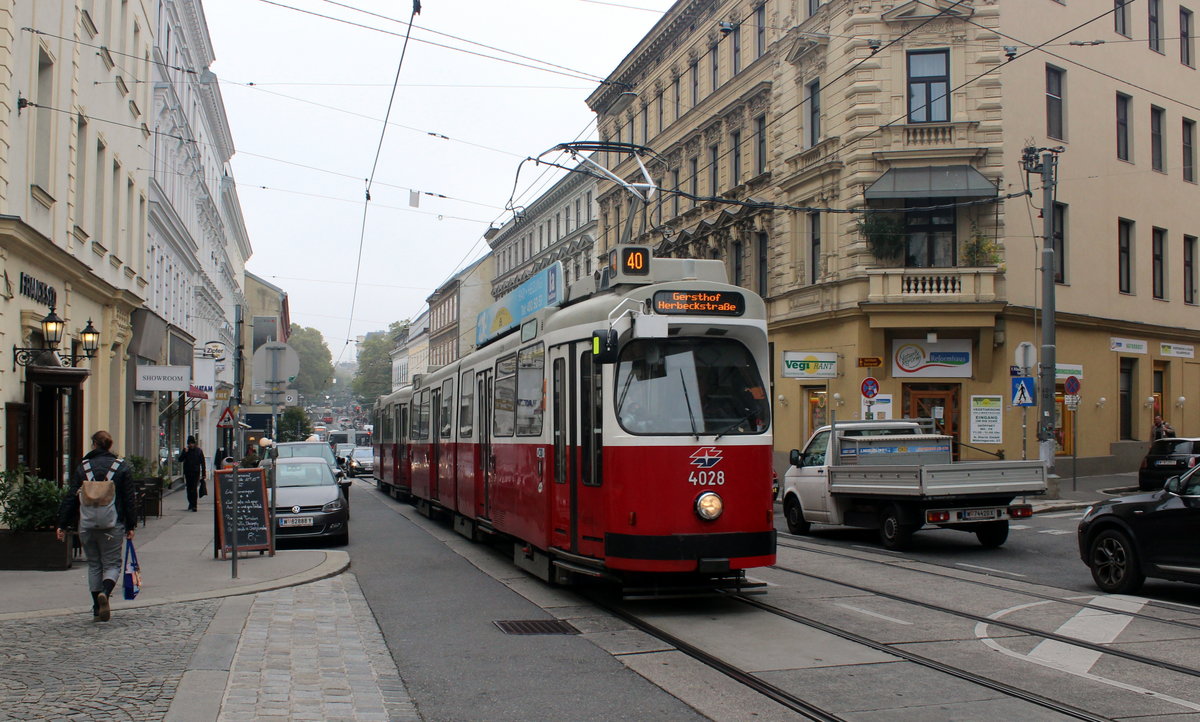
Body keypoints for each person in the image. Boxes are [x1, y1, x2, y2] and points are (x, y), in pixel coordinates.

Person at [56, 430, 137, 622]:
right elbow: (129, 499)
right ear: (110, 445)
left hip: (87, 524)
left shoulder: (83, 467)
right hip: (112, 524)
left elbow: (71, 497)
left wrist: (62, 523)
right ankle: (105, 593)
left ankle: (96, 607)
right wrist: (130, 525)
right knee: (112, 564)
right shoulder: (121, 467)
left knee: (94, 564)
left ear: (94, 444)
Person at [177, 435, 206, 511]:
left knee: (194, 488)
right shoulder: (186, 450)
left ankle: (194, 505)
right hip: (187, 472)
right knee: (189, 489)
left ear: (194, 443)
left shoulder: (199, 451)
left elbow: (203, 463)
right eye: (189, 443)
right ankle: (191, 503)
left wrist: (203, 474)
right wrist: (184, 453)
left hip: (195, 472)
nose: (191, 445)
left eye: (192, 443)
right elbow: (180, 459)